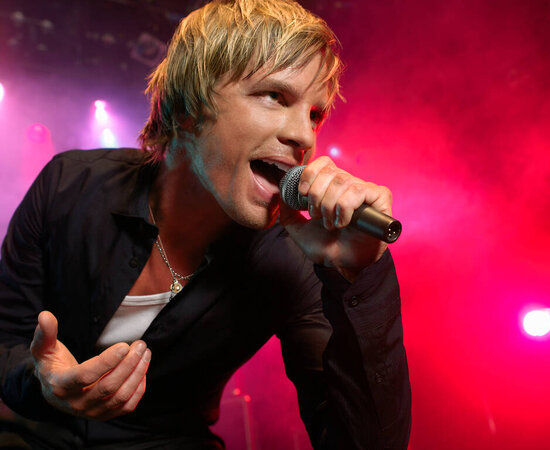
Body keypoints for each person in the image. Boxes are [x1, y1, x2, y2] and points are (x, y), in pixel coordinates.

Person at [0, 0, 411, 448]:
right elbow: (5, 339)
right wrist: (42, 381)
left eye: (315, 114)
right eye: (275, 96)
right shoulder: (70, 185)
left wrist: (359, 277)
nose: (305, 137)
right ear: (189, 106)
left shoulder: (291, 263)